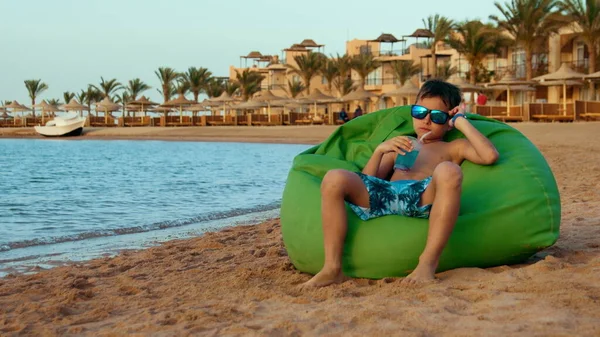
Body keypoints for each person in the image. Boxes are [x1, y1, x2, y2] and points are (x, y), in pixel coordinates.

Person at [302, 79, 499, 288]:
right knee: (334, 177)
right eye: (420, 112)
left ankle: (427, 263)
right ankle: (332, 268)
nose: (427, 120)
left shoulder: (453, 147)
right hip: (384, 194)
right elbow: (368, 180)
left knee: (449, 170)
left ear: (448, 121)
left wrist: (460, 121)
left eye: (438, 116)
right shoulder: (402, 142)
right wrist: (380, 151)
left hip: (422, 195)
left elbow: (489, 156)